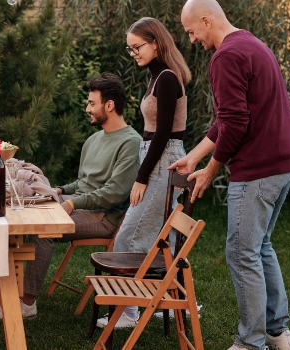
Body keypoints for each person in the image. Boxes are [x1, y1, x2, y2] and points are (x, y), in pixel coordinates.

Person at [174, 1, 290, 349]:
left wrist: (211, 169)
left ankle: (250, 342)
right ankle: (277, 333)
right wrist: (193, 157)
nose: (192, 40)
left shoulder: (225, 56)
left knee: (241, 252)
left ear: (206, 19)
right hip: (283, 163)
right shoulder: (251, 43)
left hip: (258, 168)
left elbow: (235, 123)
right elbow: (228, 118)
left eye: (191, 31)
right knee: (259, 247)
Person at [0, 73, 141, 320]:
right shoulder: (93, 139)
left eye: (92, 103)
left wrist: (71, 203)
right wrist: (58, 191)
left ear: (109, 105)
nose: (87, 108)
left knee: (42, 230)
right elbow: (84, 182)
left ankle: (27, 304)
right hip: (81, 204)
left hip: (104, 217)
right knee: (15, 209)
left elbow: (114, 193)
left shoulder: (131, 142)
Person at [97, 16, 192, 329]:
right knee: (147, 232)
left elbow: (163, 132)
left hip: (163, 159)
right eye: (130, 49)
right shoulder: (157, 76)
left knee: (130, 233)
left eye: (137, 47)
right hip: (156, 156)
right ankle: (169, 301)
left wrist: (141, 178)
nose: (133, 52)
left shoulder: (166, 78)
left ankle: (129, 310)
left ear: (155, 42)